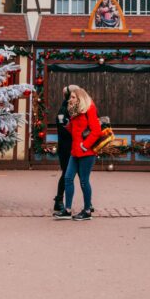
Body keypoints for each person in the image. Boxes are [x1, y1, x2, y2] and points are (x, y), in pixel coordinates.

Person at [54, 85, 100, 221]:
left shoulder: (89, 109)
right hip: (75, 152)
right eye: (70, 97)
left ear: (80, 98)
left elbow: (96, 131)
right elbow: (75, 131)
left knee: (84, 181)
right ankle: (67, 210)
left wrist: (85, 146)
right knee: (68, 178)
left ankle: (87, 211)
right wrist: (67, 125)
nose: (70, 100)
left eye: (73, 97)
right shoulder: (74, 111)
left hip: (87, 153)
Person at [52, 86, 73, 214]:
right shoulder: (64, 110)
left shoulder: (72, 109)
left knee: (79, 174)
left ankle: (88, 203)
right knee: (66, 173)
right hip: (66, 147)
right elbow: (63, 130)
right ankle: (59, 201)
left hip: (72, 146)